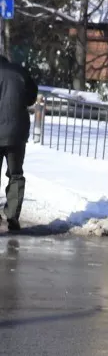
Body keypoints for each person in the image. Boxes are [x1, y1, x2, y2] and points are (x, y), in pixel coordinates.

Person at [0, 56, 37, 232]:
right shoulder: (20, 73)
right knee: (15, 174)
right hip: (17, 133)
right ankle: (13, 216)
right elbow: (31, 98)